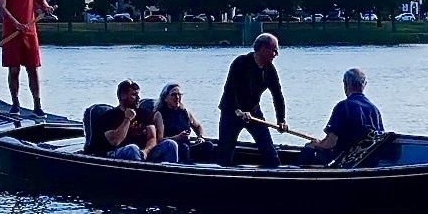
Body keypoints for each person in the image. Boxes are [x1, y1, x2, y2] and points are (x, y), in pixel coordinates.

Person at [0, 0, 54, 116]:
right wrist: (17, 24)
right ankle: (15, 104)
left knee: (33, 70)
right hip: (11, 34)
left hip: (30, 33)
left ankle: (37, 106)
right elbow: (1, 8)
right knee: (14, 70)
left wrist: (46, 7)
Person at [217, 33, 287, 168]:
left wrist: (281, 120)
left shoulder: (270, 69)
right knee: (225, 152)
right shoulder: (241, 63)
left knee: (269, 151)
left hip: (253, 111)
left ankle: (274, 172)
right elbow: (232, 89)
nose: (276, 54)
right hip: (232, 112)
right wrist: (239, 110)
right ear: (263, 49)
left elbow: (278, 95)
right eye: (274, 50)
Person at [299, 67, 384, 167]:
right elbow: (379, 139)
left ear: (346, 84)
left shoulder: (343, 106)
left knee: (308, 150)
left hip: (343, 161)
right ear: (364, 85)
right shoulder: (374, 110)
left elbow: (330, 143)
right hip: (365, 160)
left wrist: (315, 144)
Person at [91, 80, 180, 162]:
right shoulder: (108, 117)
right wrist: (127, 119)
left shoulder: (144, 113)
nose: (138, 98)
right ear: (123, 95)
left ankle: (170, 172)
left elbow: (152, 138)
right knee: (132, 149)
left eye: (138, 94)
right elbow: (115, 141)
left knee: (170, 144)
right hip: (116, 155)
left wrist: (146, 151)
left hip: (144, 153)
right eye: (134, 95)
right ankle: (138, 173)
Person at [153, 83, 213, 162]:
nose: (177, 97)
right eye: (173, 95)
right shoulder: (160, 114)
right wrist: (177, 137)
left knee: (208, 145)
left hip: (187, 146)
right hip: (172, 148)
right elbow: (159, 140)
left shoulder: (184, 112)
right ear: (165, 98)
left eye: (179, 94)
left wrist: (200, 137)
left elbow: (198, 126)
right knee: (183, 148)